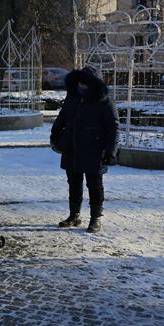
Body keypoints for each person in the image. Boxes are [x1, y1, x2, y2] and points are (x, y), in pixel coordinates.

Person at [50, 66, 119, 233]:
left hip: (94, 149)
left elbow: (113, 128)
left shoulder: (104, 100)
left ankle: (96, 218)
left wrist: (111, 151)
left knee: (94, 184)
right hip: (71, 146)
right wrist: (55, 134)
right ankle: (74, 215)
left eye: (86, 82)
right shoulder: (73, 96)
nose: (82, 85)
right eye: (80, 82)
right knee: (73, 183)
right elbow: (63, 117)